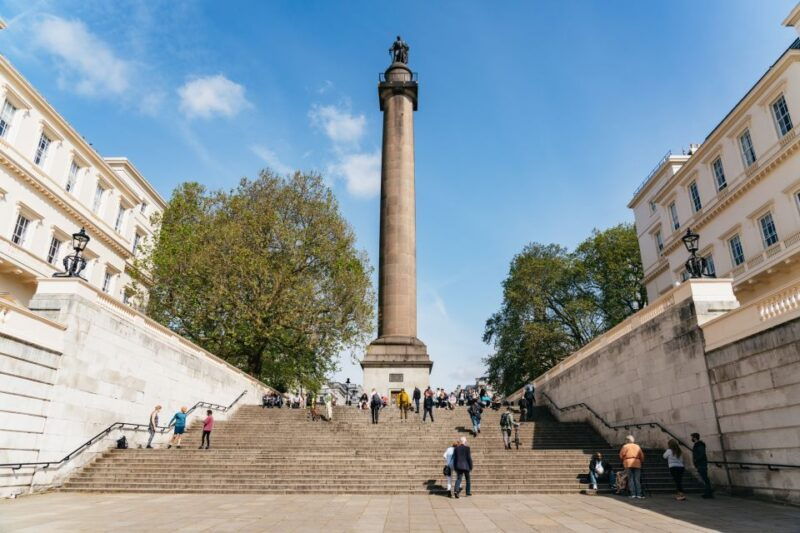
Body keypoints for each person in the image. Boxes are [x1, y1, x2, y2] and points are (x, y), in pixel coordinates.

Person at [691, 433, 713, 498]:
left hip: (701, 463)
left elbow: (701, 454)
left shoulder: (699, 445)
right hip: (700, 463)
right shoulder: (698, 445)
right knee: (704, 478)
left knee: (705, 478)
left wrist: (696, 460)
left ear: (695, 438)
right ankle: (708, 492)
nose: (691, 439)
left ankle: (708, 493)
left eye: (692, 437)